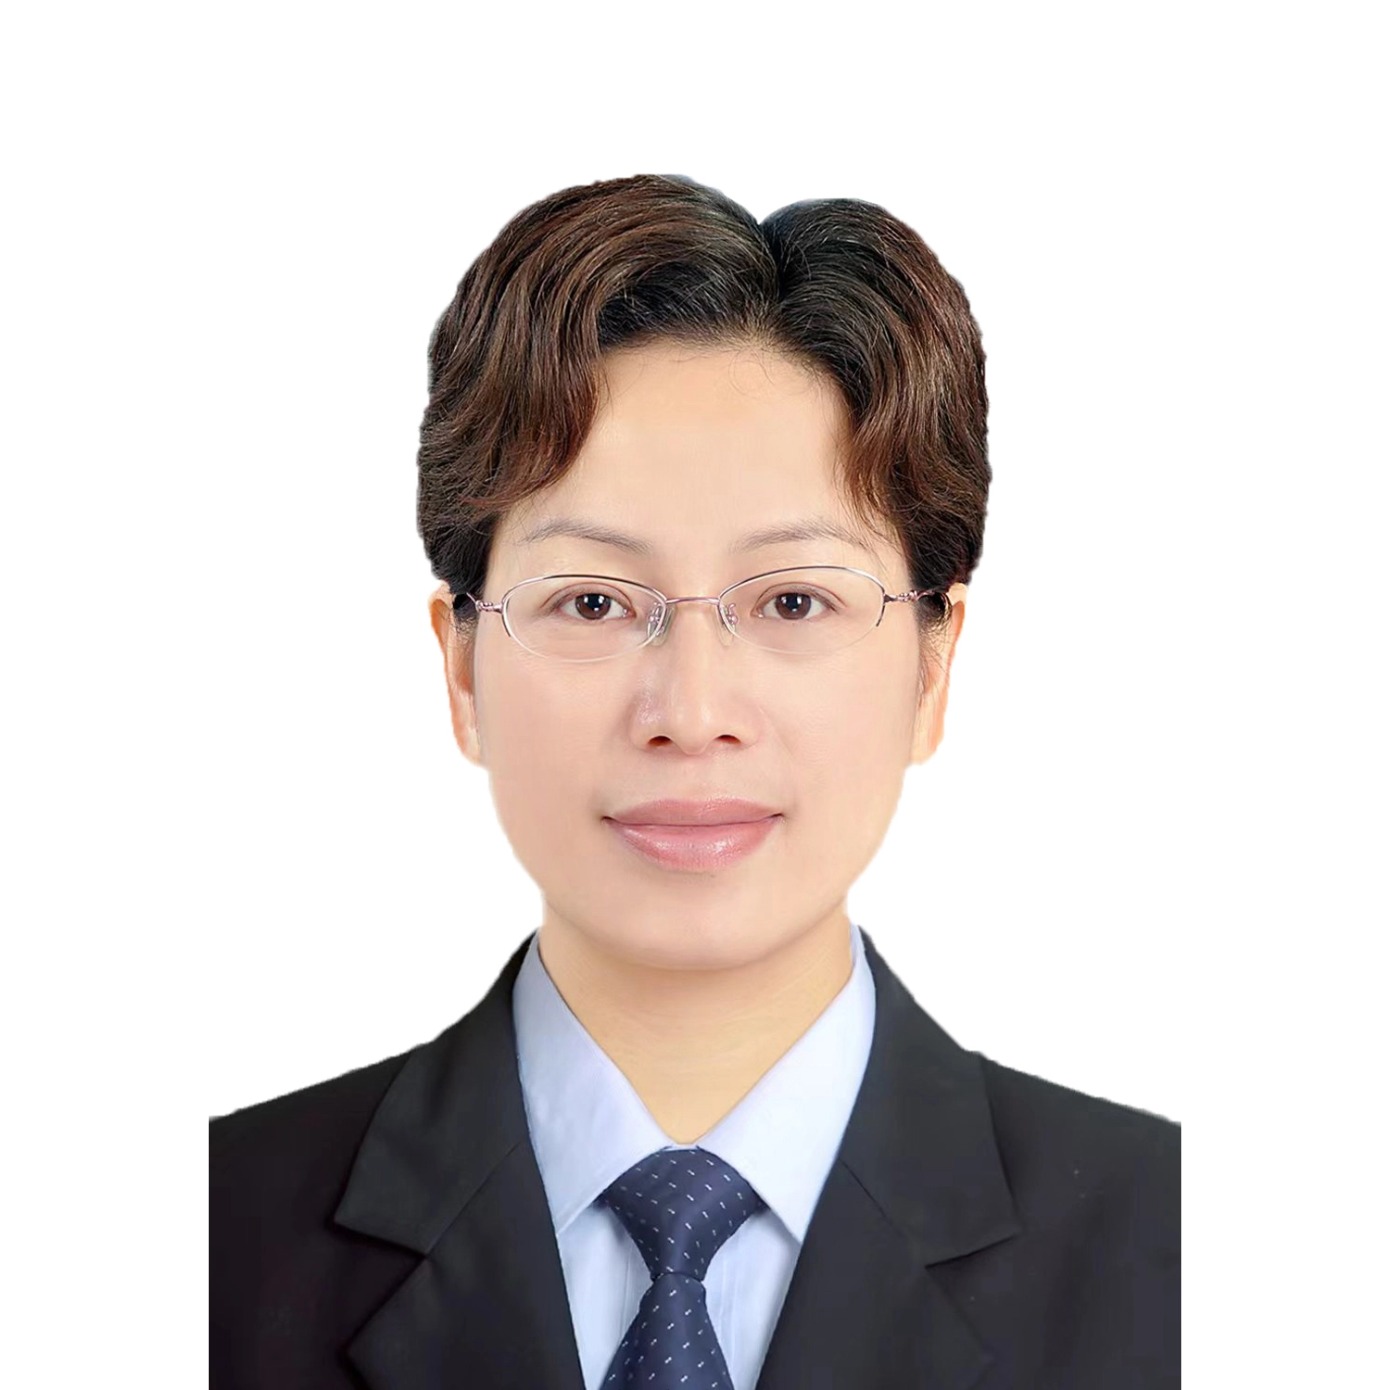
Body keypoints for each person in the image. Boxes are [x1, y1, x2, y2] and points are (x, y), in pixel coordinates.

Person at [209, 173, 1179, 1389]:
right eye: (592, 602)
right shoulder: (200, 1242)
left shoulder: (1189, 1255)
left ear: (934, 666)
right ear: (461, 668)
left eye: (794, 601)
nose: (692, 712)